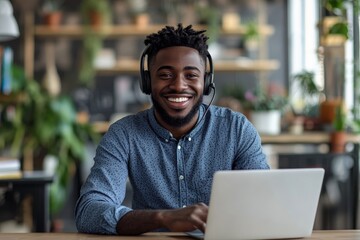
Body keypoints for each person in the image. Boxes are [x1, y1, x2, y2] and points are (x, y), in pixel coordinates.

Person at [75, 23, 269, 235]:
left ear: (206, 82)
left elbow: (265, 203)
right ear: (148, 82)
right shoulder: (124, 134)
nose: (178, 85)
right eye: (166, 75)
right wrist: (164, 217)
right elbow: (89, 211)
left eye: (191, 75)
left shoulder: (236, 130)